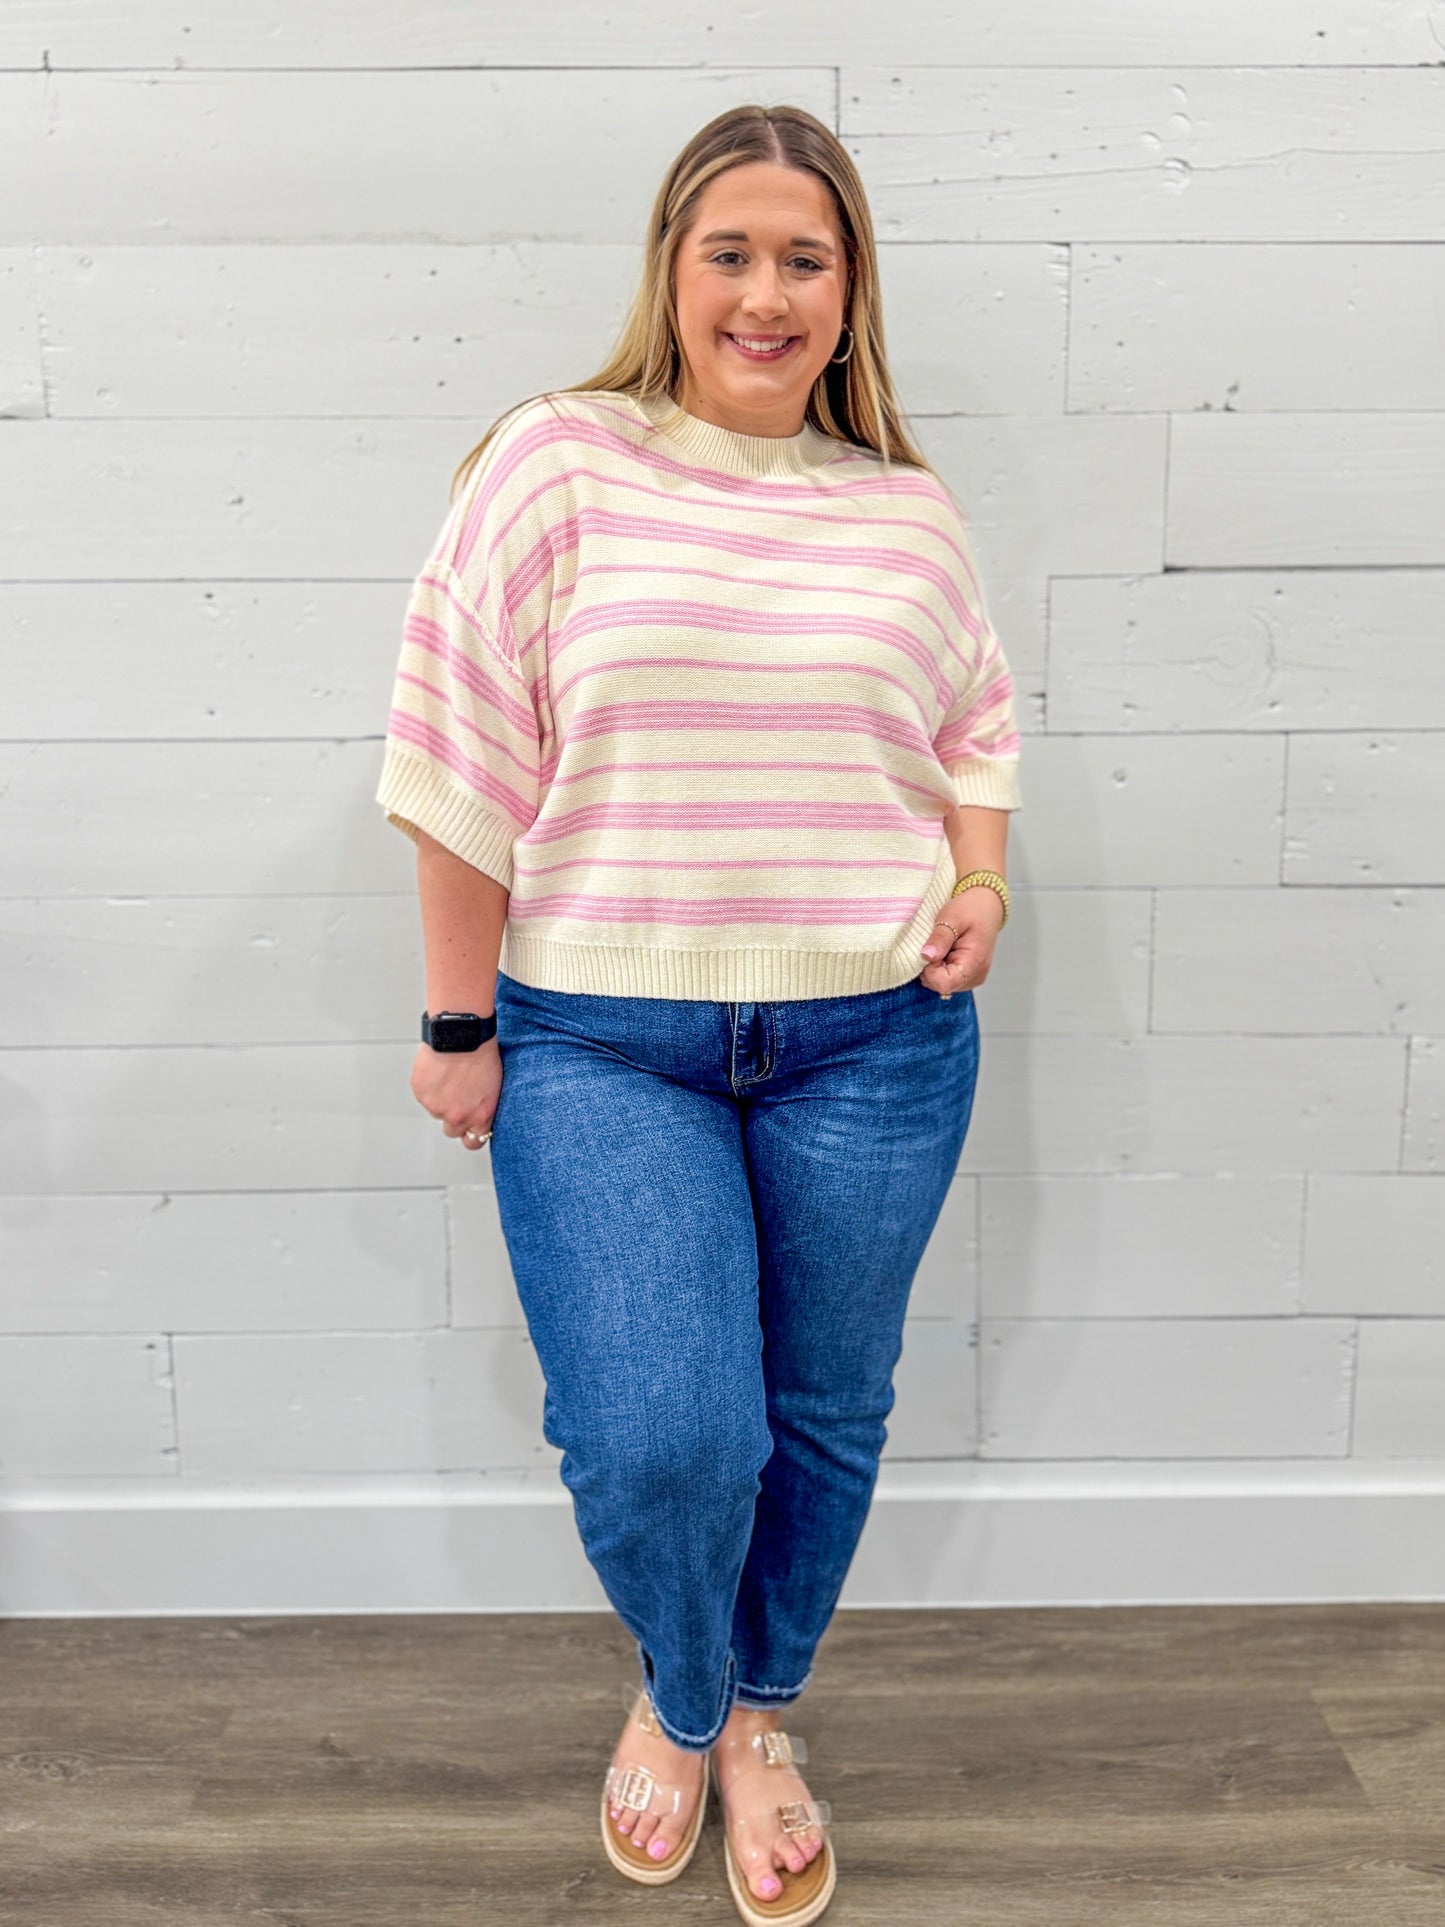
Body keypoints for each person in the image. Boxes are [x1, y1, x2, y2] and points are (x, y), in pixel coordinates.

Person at [375, 101, 1021, 1927]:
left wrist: (977, 881)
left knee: (820, 1410)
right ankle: (679, 1692)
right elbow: (452, 758)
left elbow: (974, 721)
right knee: (665, 1433)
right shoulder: (556, 461)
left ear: (849, 288)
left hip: (874, 1040)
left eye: (802, 257)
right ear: (671, 269)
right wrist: (452, 1027)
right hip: (598, 1036)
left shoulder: (906, 510)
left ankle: (762, 1719)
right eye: (728, 250)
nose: (764, 291)